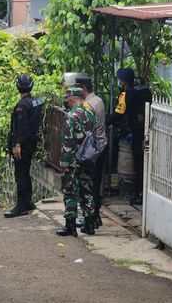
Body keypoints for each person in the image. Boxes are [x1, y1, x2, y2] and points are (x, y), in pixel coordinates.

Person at [106, 68, 152, 206]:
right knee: (146, 163)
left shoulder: (127, 93)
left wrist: (103, 121)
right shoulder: (144, 89)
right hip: (148, 129)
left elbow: (118, 113)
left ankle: (139, 194)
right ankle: (145, 192)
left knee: (138, 163)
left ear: (122, 80)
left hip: (137, 132)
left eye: (119, 79)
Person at [56, 87, 96, 237]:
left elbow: (67, 142)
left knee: (70, 191)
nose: (66, 102)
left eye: (67, 99)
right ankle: (90, 224)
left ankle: (70, 227)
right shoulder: (90, 113)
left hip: (73, 158)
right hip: (87, 157)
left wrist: (64, 164)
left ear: (72, 99)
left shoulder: (71, 116)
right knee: (87, 189)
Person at [4, 75, 43, 218]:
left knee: (20, 174)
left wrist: (17, 144)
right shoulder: (37, 102)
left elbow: (21, 126)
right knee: (26, 173)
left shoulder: (22, 106)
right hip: (32, 142)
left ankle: (20, 206)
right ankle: (28, 202)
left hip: (23, 144)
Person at [76, 76, 107, 228]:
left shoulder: (88, 105)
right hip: (101, 146)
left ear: (83, 88)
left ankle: (92, 217)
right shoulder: (99, 101)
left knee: (88, 184)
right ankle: (95, 216)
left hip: (91, 150)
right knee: (96, 182)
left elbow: (84, 129)